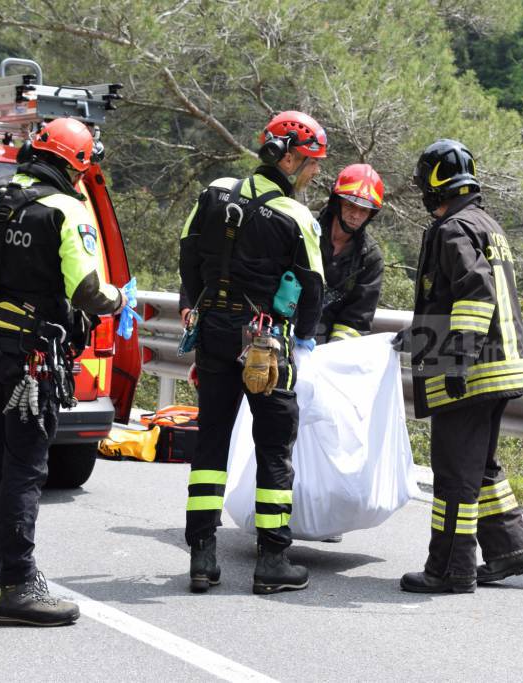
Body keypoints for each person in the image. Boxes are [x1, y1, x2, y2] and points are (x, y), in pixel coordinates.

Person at [0, 117, 126, 625]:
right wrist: (120, 298)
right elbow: (88, 293)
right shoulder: (66, 210)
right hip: (31, 360)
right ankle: (18, 586)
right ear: (76, 163)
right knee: (24, 469)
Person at [178, 110, 327, 595]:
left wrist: (191, 303)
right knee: (274, 448)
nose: (314, 172)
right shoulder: (295, 216)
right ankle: (273, 559)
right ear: (285, 158)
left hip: (214, 332)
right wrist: (303, 339)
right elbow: (313, 287)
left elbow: (187, 250)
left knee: (211, 442)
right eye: (309, 162)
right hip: (265, 342)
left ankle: (202, 555)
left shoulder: (214, 192)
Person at [396, 139, 523, 594]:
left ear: (434, 185)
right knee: (479, 468)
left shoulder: (452, 229)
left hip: (471, 372)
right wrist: (418, 337)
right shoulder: (487, 224)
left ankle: (450, 570)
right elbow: (458, 299)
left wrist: (456, 359)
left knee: (455, 474)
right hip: (500, 367)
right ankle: (508, 549)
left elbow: (474, 294)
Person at [315, 163, 385, 344]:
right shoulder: (306, 230)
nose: (356, 215)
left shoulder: (370, 258)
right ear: (336, 202)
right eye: (350, 206)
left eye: (364, 210)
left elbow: (356, 319)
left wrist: (332, 353)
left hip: (326, 353)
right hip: (284, 337)